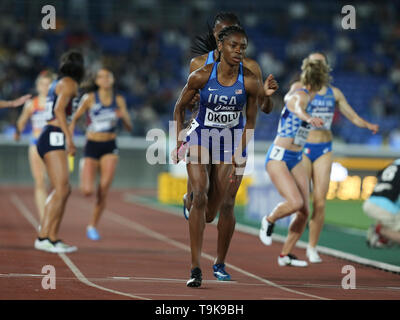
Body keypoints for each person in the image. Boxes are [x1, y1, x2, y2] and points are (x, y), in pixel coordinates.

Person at [175, 12, 277, 282]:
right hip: (202, 134)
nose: (236, 47)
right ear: (217, 39)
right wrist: (182, 134)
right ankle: (192, 202)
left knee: (225, 204)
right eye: (225, 35)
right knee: (200, 193)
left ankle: (219, 262)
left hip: (233, 140)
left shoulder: (251, 68)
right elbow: (191, 102)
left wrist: (266, 96)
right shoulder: (199, 65)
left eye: (239, 40)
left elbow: (263, 109)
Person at [285, 52, 379, 263]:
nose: (317, 66)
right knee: (302, 203)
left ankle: (312, 247)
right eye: (313, 63)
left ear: (326, 67)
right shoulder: (300, 89)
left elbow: (352, 115)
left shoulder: (334, 93)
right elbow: (288, 106)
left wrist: (367, 125)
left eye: (320, 63)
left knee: (320, 201)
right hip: (303, 147)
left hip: (324, 148)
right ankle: (289, 246)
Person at [259, 58, 330, 267]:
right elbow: (297, 106)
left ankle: (285, 254)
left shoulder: (309, 92)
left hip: (297, 158)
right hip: (279, 157)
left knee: (304, 211)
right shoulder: (300, 94)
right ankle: (269, 220)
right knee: (295, 202)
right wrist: (307, 118)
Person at [69, 67, 132, 240]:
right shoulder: (89, 98)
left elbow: (129, 126)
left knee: (103, 190)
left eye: (108, 76)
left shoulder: (118, 100)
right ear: (96, 81)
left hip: (110, 145)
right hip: (92, 145)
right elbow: (73, 119)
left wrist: (123, 116)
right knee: (88, 191)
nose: (105, 79)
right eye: (101, 77)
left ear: (112, 79)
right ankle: (84, 166)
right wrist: (70, 141)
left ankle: (92, 225)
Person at [34, 50, 84, 253]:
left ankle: (51, 236)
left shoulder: (58, 82)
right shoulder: (69, 83)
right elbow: (58, 111)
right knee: (62, 189)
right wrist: (69, 139)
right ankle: (44, 236)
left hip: (50, 135)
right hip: (54, 134)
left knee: (64, 189)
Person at [14, 71, 56, 224]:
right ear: (37, 86)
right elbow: (21, 121)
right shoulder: (32, 104)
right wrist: (18, 132)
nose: (44, 87)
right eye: (42, 84)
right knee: (39, 182)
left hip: (54, 147)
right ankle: (43, 219)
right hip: (36, 145)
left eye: (48, 84)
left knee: (55, 184)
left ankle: (51, 211)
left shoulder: (57, 102)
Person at [364, 159, 400, 248]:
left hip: (372, 201)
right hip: (387, 207)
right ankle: (380, 231)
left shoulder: (395, 162)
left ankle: (384, 234)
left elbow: (379, 174)